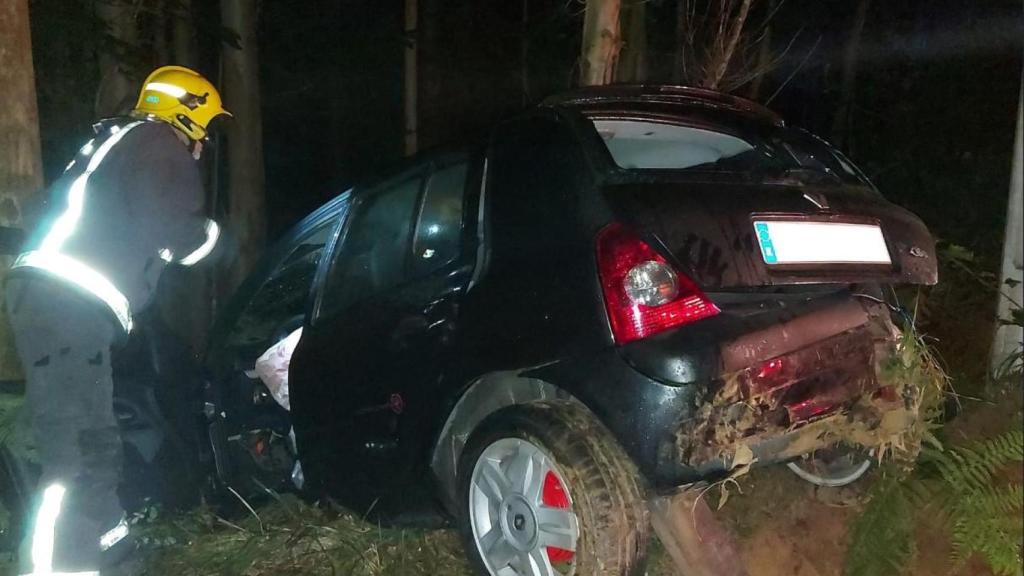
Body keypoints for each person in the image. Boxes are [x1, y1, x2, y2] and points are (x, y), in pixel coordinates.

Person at [5, 65, 230, 576]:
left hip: (64, 307)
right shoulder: (156, 144)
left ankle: (109, 560)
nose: (203, 145)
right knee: (76, 457)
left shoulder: (121, 144)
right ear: (187, 115)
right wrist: (217, 238)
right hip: (66, 303)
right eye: (205, 130)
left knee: (95, 450)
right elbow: (175, 231)